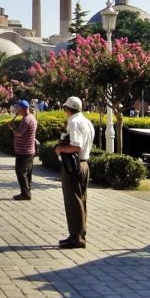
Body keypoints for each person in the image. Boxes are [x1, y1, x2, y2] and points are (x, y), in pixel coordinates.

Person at [55, 96, 94, 249]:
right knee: (81, 199)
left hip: (74, 164)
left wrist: (59, 149)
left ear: (68, 108)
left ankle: (76, 237)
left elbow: (75, 146)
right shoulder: (86, 121)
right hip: (84, 163)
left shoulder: (74, 122)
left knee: (73, 202)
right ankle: (78, 234)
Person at [8, 100, 37, 201]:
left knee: (21, 172)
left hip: (24, 151)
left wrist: (12, 128)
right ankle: (27, 191)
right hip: (28, 150)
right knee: (27, 172)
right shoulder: (30, 118)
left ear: (23, 109)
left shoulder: (26, 120)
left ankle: (25, 194)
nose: (17, 111)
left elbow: (19, 133)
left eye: (18, 109)